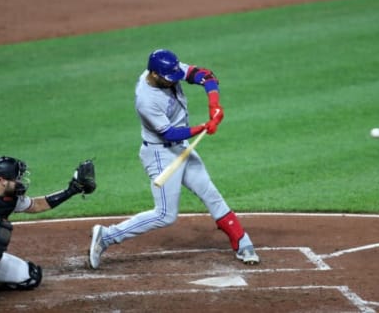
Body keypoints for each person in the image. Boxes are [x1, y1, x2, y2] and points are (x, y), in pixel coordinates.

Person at [89, 49, 260, 270]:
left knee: (210, 192)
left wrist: (214, 103)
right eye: (169, 79)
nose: (174, 81)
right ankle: (107, 236)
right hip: (161, 154)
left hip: (181, 148)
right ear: (154, 74)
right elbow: (169, 133)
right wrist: (202, 127)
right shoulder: (146, 99)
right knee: (164, 215)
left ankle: (242, 242)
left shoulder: (168, 69)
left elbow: (205, 75)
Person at [0, 156, 96, 307]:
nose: (19, 182)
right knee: (1, 229)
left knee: (31, 277)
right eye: (15, 178)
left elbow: (37, 205)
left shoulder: (9, 197)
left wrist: (71, 191)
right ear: (2, 181)